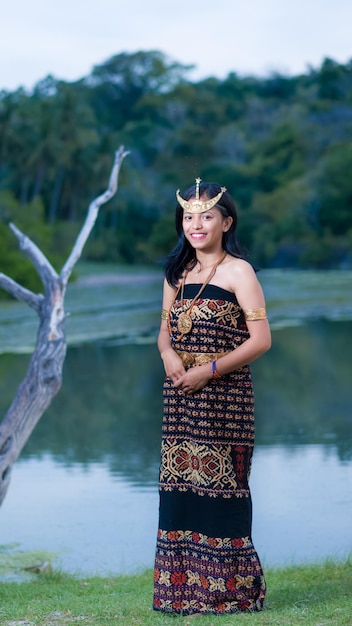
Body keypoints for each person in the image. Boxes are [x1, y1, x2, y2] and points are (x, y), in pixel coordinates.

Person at [153, 178, 271, 615]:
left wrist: (210, 370)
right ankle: (180, 592)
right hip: (180, 393)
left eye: (206, 216)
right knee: (180, 486)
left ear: (226, 221)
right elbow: (164, 331)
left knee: (223, 487)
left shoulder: (240, 271)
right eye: (188, 216)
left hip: (225, 398)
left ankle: (231, 593)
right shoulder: (176, 272)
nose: (196, 224)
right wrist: (167, 354)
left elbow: (261, 340)